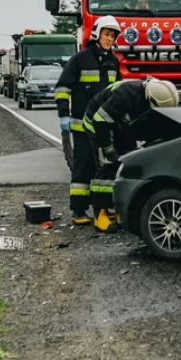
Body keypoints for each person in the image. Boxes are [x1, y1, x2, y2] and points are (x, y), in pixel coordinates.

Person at [82, 77, 180, 233]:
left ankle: (117, 209)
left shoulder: (157, 94)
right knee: (107, 166)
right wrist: (108, 148)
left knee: (128, 162)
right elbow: (100, 121)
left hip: (119, 124)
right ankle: (100, 213)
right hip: (98, 124)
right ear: (150, 99)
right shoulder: (127, 94)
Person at [55, 16, 122, 226]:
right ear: (97, 34)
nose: (109, 39)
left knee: (103, 167)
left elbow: (116, 91)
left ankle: (101, 208)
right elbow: (62, 88)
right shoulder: (80, 59)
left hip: (103, 126)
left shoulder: (113, 61)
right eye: (106, 34)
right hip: (81, 125)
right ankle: (78, 210)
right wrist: (64, 114)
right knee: (83, 166)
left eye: (112, 36)